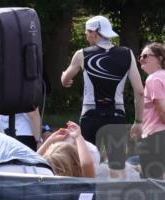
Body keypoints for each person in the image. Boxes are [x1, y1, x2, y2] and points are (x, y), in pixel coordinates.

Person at [60, 15, 145, 179]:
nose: (86, 36)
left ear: (94, 32)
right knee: (117, 164)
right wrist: (138, 122)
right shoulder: (127, 54)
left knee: (87, 162)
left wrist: (65, 79)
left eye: (86, 32)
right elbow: (140, 91)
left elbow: (65, 78)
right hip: (116, 116)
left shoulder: (82, 54)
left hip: (90, 116)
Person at [137, 42, 165, 180]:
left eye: (146, 55)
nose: (141, 58)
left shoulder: (153, 79)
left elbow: (161, 108)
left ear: (159, 59)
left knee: (151, 183)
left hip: (155, 137)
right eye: (140, 56)